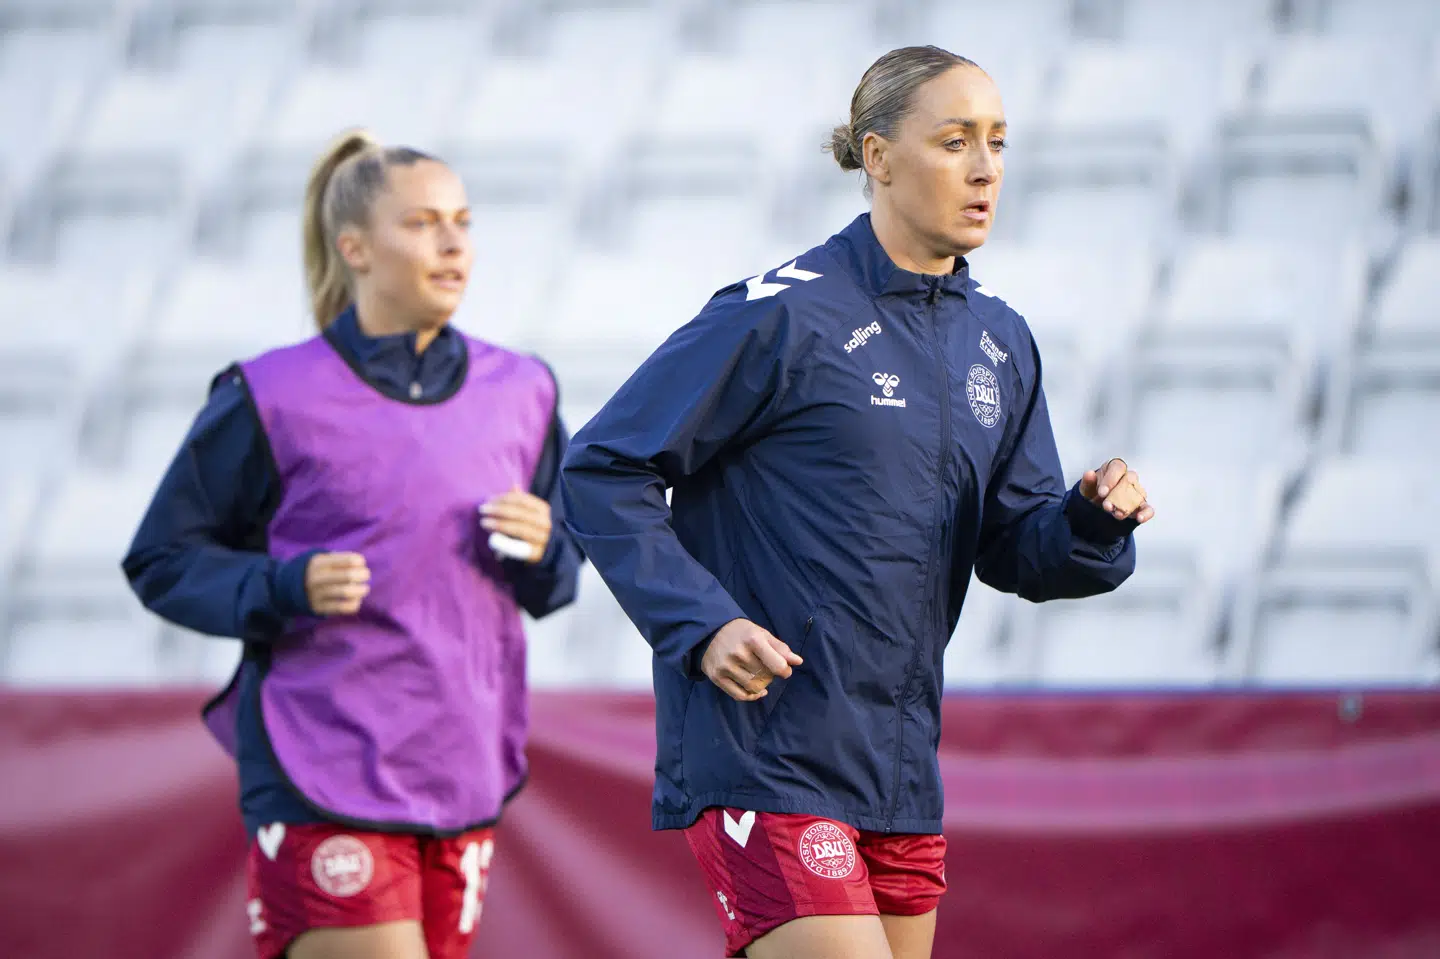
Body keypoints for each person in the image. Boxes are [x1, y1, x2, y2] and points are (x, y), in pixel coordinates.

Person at [561, 46, 1154, 959]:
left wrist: (1089, 524)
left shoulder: (1001, 342)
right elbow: (600, 467)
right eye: (955, 141)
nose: (987, 167)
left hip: (901, 768)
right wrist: (704, 623)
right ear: (877, 158)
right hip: (764, 752)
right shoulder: (779, 314)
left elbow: (1014, 548)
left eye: (998, 141)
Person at [122, 129, 582, 959]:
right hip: (318, 762)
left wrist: (547, 546)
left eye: (463, 221)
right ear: (356, 247)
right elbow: (162, 559)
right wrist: (284, 586)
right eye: (422, 222)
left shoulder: (526, 389)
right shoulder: (270, 393)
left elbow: (555, 586)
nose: (451, 243)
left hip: (462, 761)